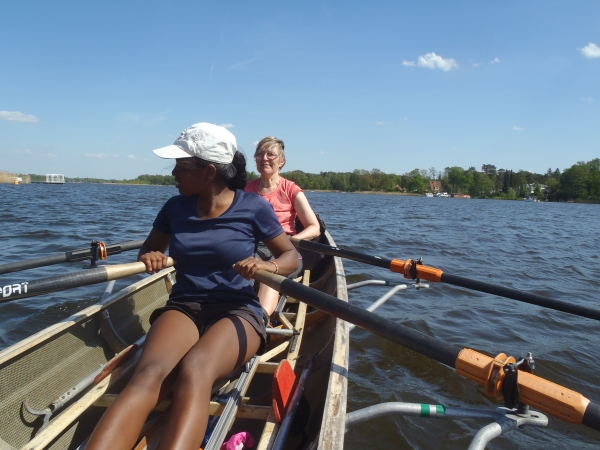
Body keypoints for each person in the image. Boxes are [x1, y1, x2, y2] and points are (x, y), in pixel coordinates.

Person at [86, 123, 299, 450]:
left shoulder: (253, 207)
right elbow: (147, 250)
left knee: (194, 370)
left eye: (181, 166)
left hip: (238, 311)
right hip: (185, 306)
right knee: (147, 374)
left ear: (209, 172)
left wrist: (265, 265)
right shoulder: (175, 208)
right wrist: (152, 256)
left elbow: (291, 257)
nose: (173, 173)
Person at [245, 136, 321, 315]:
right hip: (252, 245)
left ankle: (259, 319)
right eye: (260, 154)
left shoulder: (291, 189)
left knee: (270, 273)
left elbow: (314, 227)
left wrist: (292, 240)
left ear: (282, 161)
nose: (264, 158)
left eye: (271, 154)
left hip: (283, 248)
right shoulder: (244, 190)